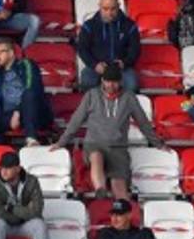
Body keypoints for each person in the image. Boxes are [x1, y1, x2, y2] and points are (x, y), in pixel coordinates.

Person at [53, 65, 164, 199]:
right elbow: (76, 120)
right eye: (108, 81)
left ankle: (123, 210)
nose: (111, 85)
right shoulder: (92, 95)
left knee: (119, 185)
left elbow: (143, 122)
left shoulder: (129, 98)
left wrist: (158, 143)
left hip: (119, 148)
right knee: (96, 157)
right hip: (94, 144)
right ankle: (100, 188)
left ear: (120, 82)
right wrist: (62, 142)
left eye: (114, 82)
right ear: (102, 81)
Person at [0, 41, 53, 146]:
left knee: (29, 93)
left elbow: (33, 87)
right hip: (8, 116)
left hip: (34, 112)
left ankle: (31, 139)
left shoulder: (25, 64)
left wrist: (18, 111)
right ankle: (7, 149)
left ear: (11, 53)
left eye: (0, 52)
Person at [0, 151, 49, 239]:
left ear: (17, 169)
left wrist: (11, 208)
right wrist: (23, 213)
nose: (3, 171)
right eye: (2, 167)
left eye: (8, 168)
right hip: (5, 224)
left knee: (39, 225)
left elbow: (37, 211)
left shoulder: (32, 181)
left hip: (24, 225)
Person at [75, 0, 140, 93]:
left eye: (113, 9)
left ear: (118, 6)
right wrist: (95, 65)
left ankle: (124, 107)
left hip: (121, 67)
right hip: (96, 66)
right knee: (87, 81)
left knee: (132, 84)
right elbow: (82, 49)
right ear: (99, 7)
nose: (109, 13)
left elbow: (135, 49)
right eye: (105, 9)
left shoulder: (130, 26)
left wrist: (125, 63)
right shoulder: (89, 25)